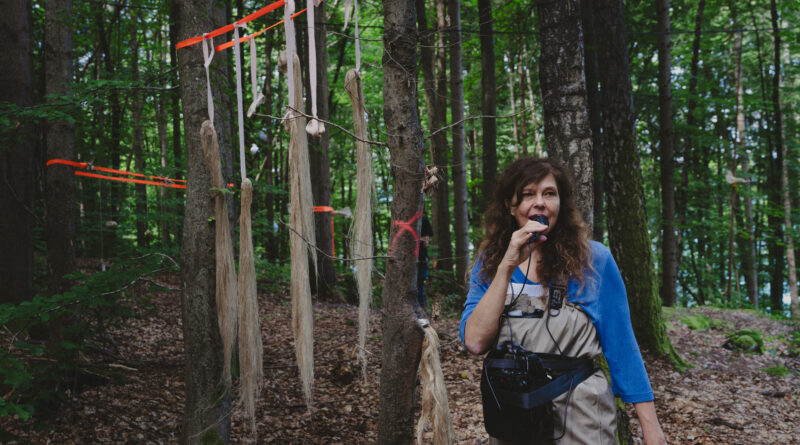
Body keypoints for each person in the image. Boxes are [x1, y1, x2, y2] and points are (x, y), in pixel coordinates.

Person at [460, 158, 666, 444]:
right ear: (510, 205)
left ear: (561, 204)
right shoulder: (490, 261)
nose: (540, 203)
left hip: (582, 416)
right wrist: (506, 266)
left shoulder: (593, 260)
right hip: (514, 416)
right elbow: (475, 342)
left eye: (549, 193)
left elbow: (622, 346)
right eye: (528, 194)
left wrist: (651, 428)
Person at [417, 214, 434, 309]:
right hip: (408, 261)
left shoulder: (423, 219)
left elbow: (426, 243)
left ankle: (420, 311)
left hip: (421, 260)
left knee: (420, 287)